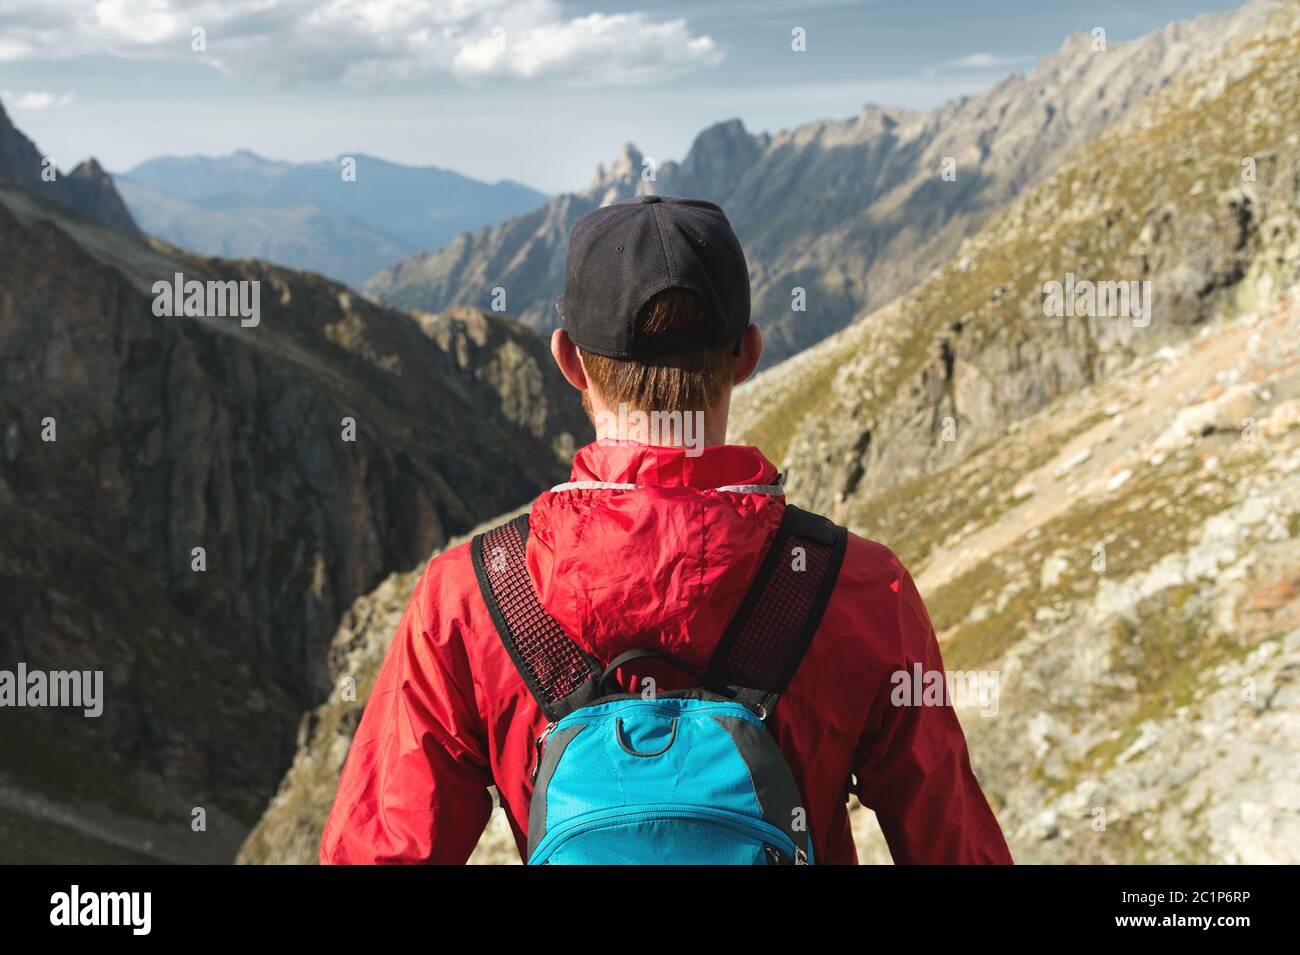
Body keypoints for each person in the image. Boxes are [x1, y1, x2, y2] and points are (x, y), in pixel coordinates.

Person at [320, 195, 1012, 864]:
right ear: (748, 355)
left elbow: (382, 851)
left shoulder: (467, 599)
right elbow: (952, 842)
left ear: (567, 360)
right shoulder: (863, 588)